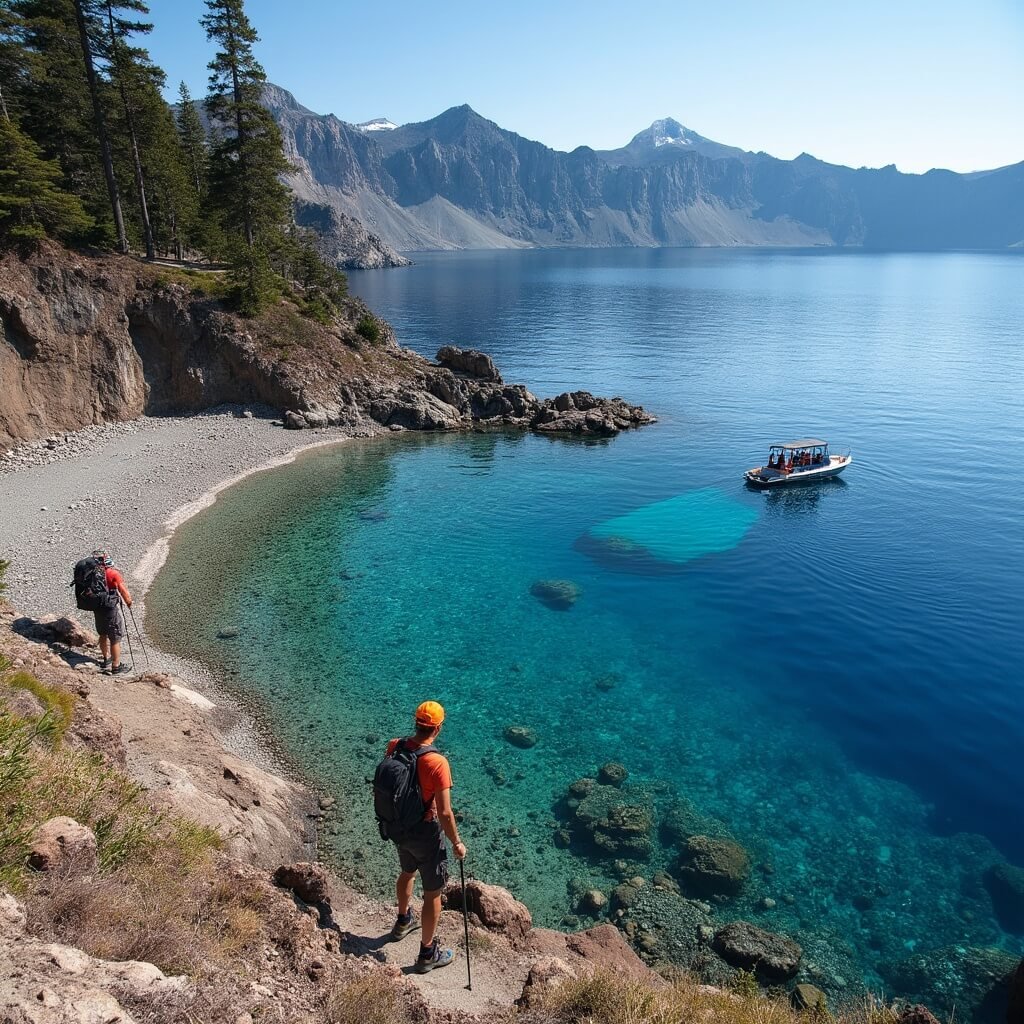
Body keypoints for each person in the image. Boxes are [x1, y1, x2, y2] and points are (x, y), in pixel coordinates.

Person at [386, 700, 467, 974]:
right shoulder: (437, 762)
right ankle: (427, 953)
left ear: (416, 722)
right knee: (433, 892)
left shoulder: (395, 745)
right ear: (439, 727)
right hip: (425, 833)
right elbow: (444, 812)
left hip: (398, 829)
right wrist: (456, 843)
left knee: (407, 872)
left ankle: (402, 922)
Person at [91, 550, 133, 675]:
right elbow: (123, 591)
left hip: (97, 608)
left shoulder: (92, 573)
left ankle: (105, 659)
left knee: (102, 634)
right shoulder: (113, 573)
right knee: (115, 637)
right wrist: (129, 602)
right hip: (110, 609)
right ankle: (116, 666)